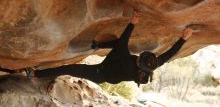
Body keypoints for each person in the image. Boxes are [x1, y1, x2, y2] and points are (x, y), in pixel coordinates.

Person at [26, 12, 193, 86]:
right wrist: (183, 38)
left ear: (139, 61)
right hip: (112, 67)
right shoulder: (152, 64)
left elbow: (123, 42)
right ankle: (97, 45)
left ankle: (34, 74)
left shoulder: (126, 62)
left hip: (100, 73)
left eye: (141, 55)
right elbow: (170, 53)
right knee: (118, 48)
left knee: (69, 68)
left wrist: (132, 22)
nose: (140, 54)